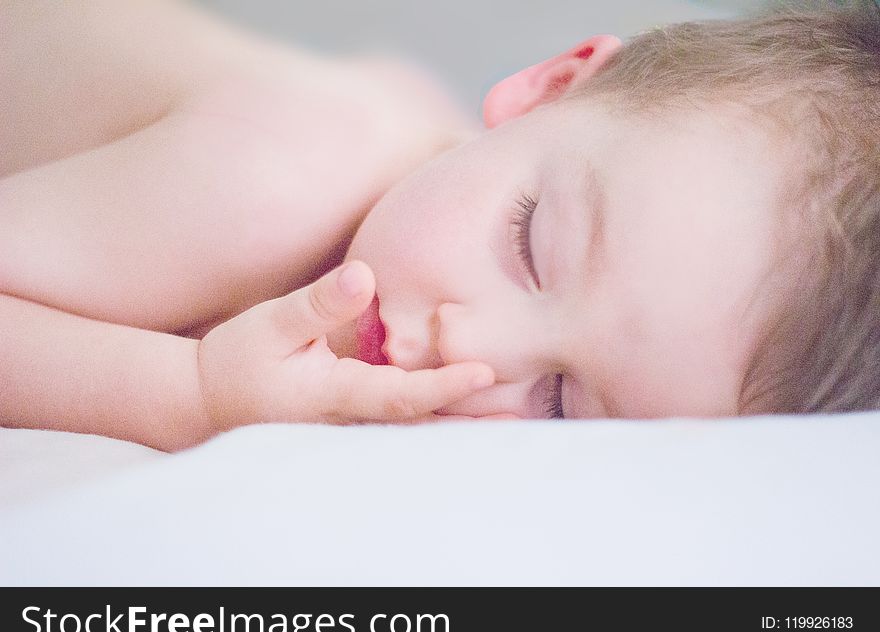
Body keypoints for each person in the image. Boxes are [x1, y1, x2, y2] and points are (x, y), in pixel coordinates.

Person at [2, 1, 878, 451]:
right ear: (549, 88)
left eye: (561, 405)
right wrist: (188, 393)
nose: (471, 352)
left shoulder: (475, 182)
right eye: (530, 242)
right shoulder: (273, 179)